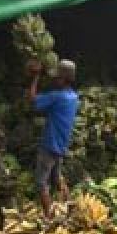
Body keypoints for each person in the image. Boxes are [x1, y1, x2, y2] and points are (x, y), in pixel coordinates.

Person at [29, 59, 80, 215]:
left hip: (50, 145)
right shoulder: (73, 97)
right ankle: (71, 209)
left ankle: (50, 218)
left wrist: (35, 77)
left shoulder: (58, 97)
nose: (55, 80)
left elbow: (32, 100)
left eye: (57, 77)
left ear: (63, 79)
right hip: (61, 145)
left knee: (40, 183)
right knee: (57, 179)